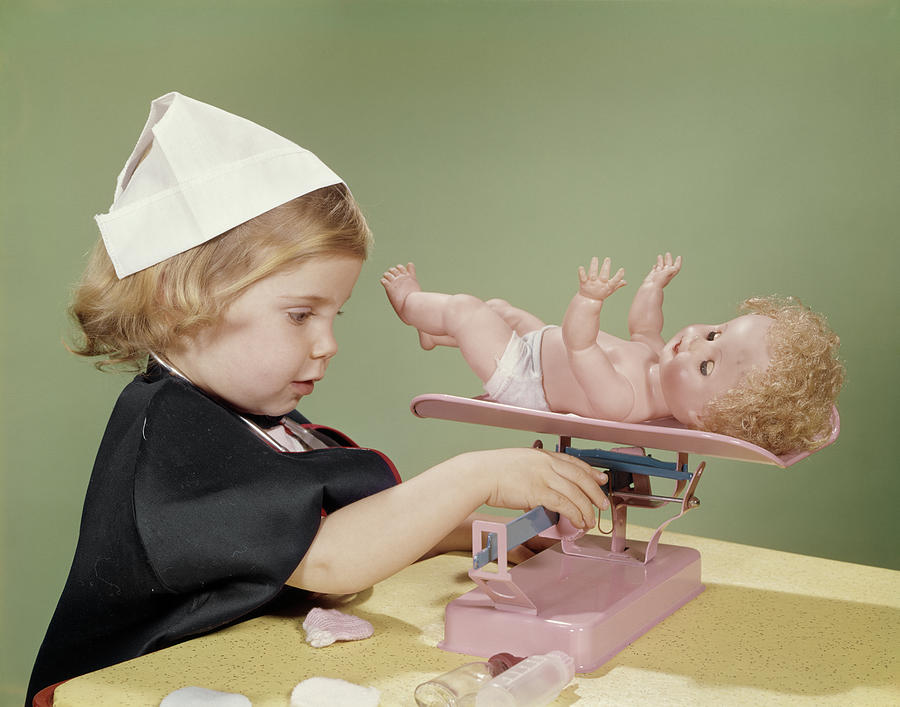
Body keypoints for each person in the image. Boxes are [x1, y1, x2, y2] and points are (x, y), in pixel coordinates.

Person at [25, 92, 608, 705]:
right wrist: (480, 475)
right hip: (117, 691)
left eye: (334, 315)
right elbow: (327, 559)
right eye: (300, 314)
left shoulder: (248, 413)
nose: (328, 343)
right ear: (183, 304)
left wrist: (483, 532)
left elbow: (336, 529)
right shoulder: (169, 437)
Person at [382, 256, 844, 456]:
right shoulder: (660, 360)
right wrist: (651, 288)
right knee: (499, 311)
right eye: (714, 332)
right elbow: (644, 326)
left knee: (467, 310)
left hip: (524, 379)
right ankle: (433, 333)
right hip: (534, 347)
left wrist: (588, 301)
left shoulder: (623, 402)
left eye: (707, 365)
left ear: (705, 417)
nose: (695, 342)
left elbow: (579, 343)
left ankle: (410, 305)